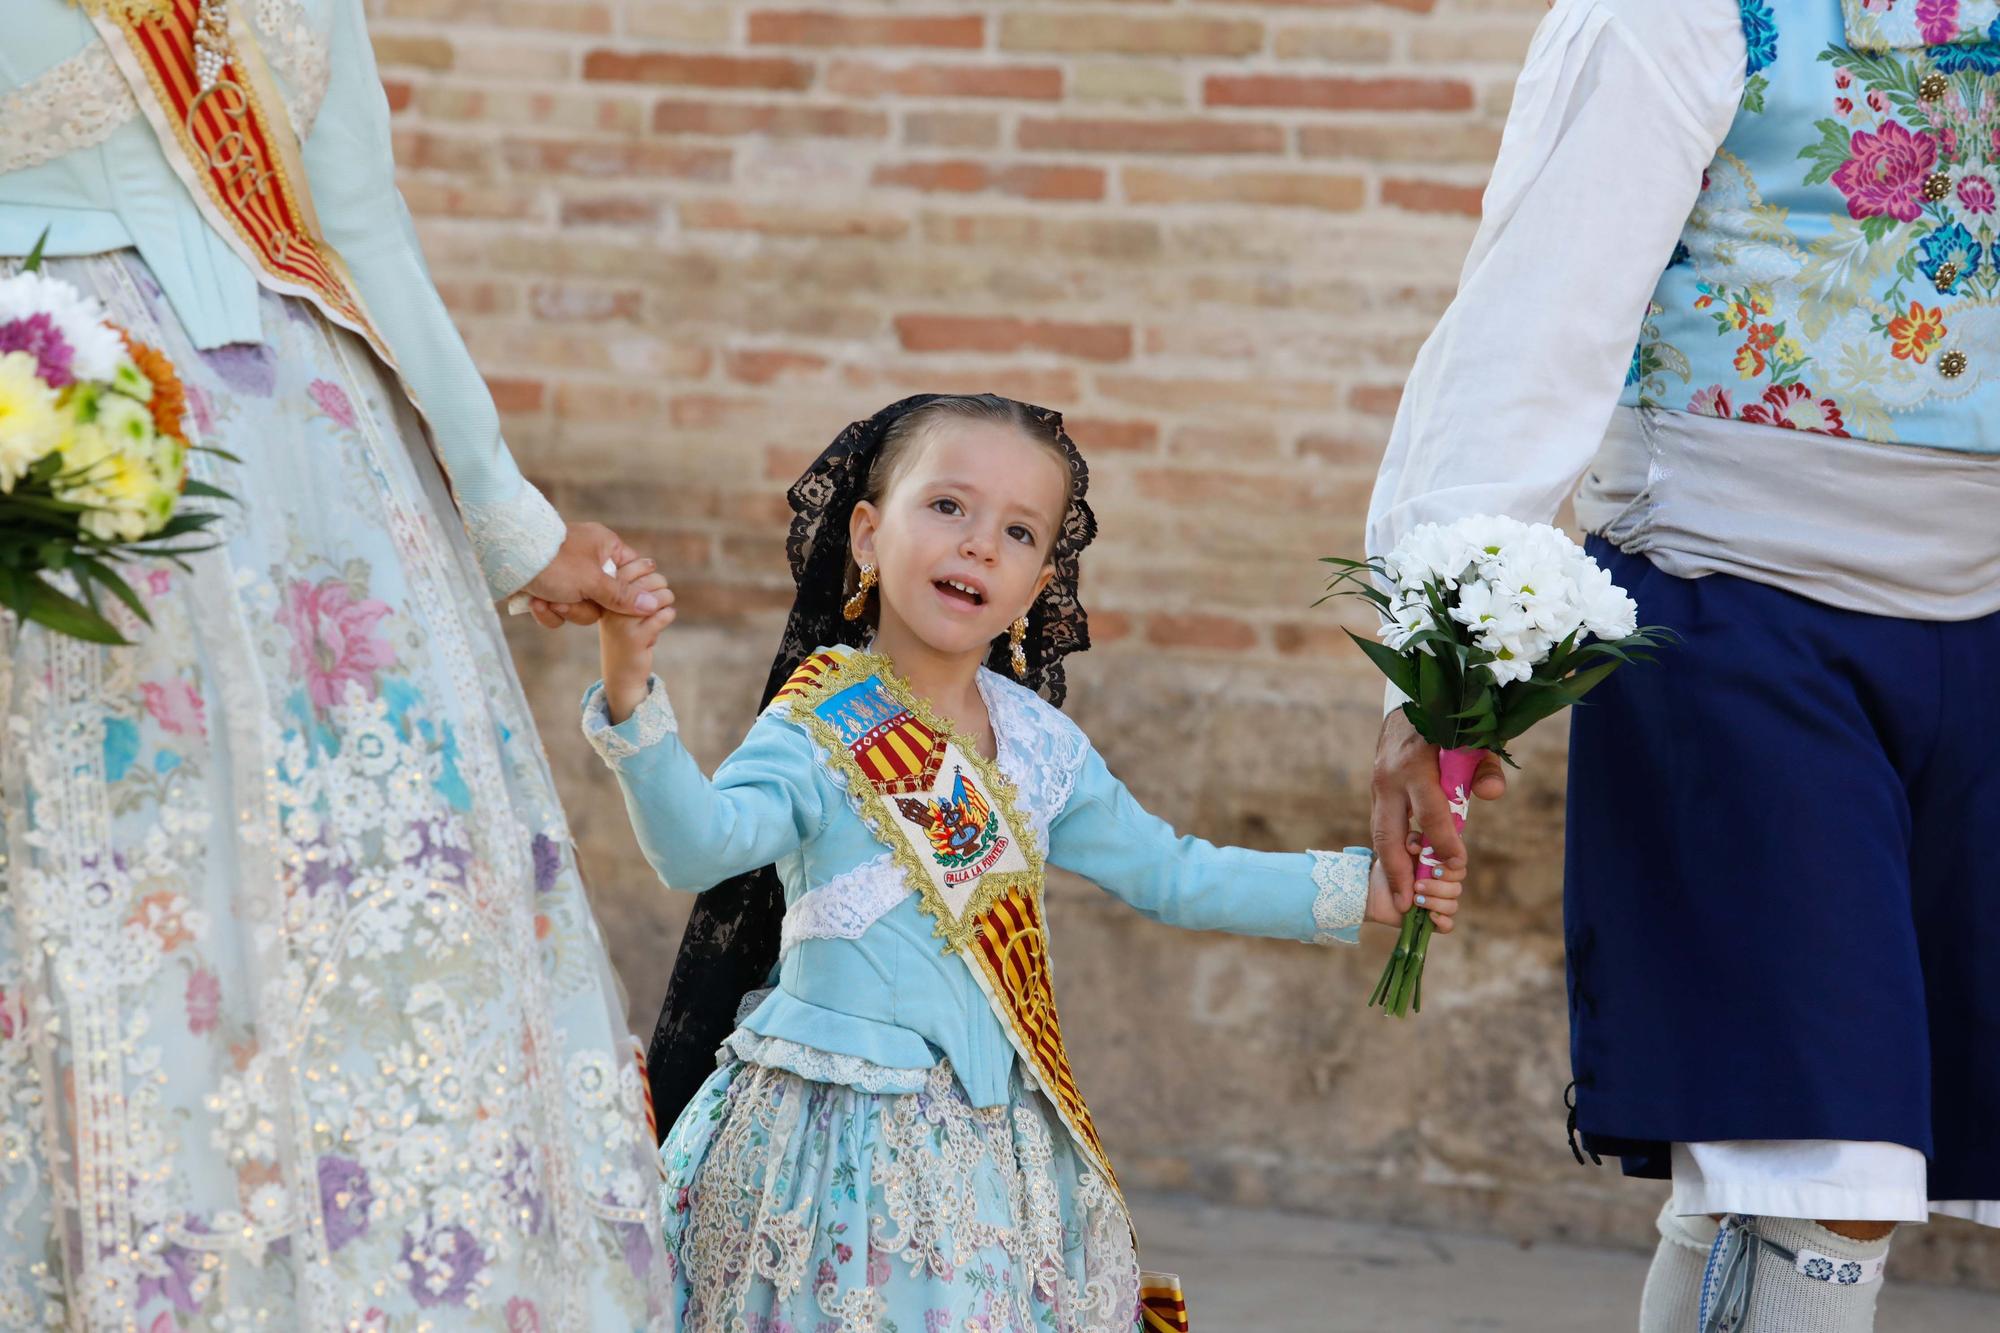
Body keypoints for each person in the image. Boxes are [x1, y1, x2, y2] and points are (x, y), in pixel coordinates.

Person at [0, 1, 667, 1325]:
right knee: (137, 893)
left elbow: (363, 232)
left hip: (324, 479)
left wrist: (511, 521)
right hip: (71, 446)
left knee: (371, 879)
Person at [1365, 2, 2000, 1329]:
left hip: (1988, 635)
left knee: (1795, 1168)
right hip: (1741, 623)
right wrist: (1436, 681)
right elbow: (1533, 328)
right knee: (1829, 1162)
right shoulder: (1682, 12)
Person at [582, 392, 1465, 1330]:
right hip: (825, 1151)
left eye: (1017, 531)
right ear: (870, 537)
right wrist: (632, 693)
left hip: (991, 1161)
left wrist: (1360, 888)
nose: (979, 546)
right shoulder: (815, 723)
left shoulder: (1042, 746)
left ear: (1041, 581)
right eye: (948, 507)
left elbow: (1172, 871)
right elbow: (698, 848)